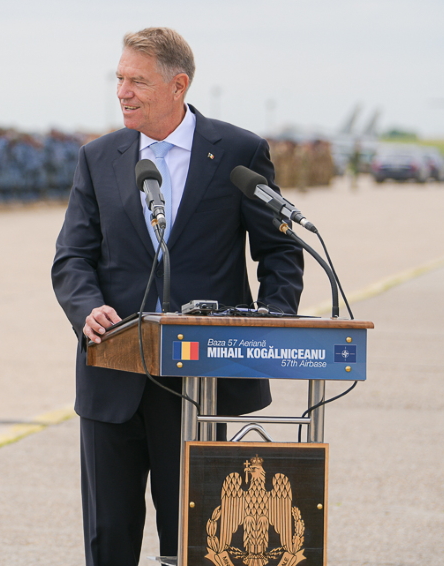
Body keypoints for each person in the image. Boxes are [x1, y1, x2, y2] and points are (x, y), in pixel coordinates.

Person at [51, 28, 304, 566]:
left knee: (195, 545)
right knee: (108, 540)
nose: (122, 91)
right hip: (112, 377)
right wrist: (84, 307)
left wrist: (272, 322)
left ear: (178, 85)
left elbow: (280, 253)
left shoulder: (237, 152)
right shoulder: (98, 158)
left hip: (201, 385)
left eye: (136, 81)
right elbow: (72, 256)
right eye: (119, 79)